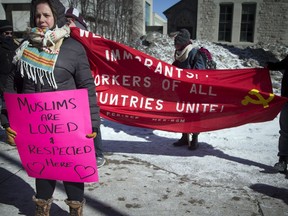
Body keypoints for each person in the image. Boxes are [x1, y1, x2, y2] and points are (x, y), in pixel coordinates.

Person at [1, 0, 101, 215]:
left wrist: (92, 122)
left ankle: (75, 210)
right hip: (35, 125)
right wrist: (7, 118)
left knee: (73, 170)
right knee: (42, 169)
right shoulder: (24, 48)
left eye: (46, 15)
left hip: (68, 125)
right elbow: (11, 85)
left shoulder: (73, 48)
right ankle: (42, 208)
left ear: (56, 16)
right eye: (37, 16)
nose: (41, 20)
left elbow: (86, 86)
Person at [65, 7, 106, 168]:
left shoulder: (88, 42)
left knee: (91, 120)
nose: (67, 24)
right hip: (70, 87)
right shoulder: (62, 40)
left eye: (70, 21)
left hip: (86, 86)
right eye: (65, 21)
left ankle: (98, 153)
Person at [172, 28, 206, 150]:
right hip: (183, 90)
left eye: (177, 44)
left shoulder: (195, 53)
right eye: (175, 44)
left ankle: (195, 139)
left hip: (194, 91)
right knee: (184, 113)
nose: (175, 46)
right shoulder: (179, 54)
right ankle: (184, 137)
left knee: (194, 115)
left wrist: (185, 75)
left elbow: (200, 73)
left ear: (184, 43)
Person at [267, 55, 288, 173]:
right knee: (285, 131)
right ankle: (283, 161)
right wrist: (269, 66)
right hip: (287, 100)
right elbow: (281, 65)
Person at [0, 20, 18, 146]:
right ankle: (10, 134)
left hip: (14, 83)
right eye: (6, 33)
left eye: (11, 33)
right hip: (2, 83)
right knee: (6, 109)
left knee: (15, 109)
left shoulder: (16, 46)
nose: (9, 35)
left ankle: (16, 131)